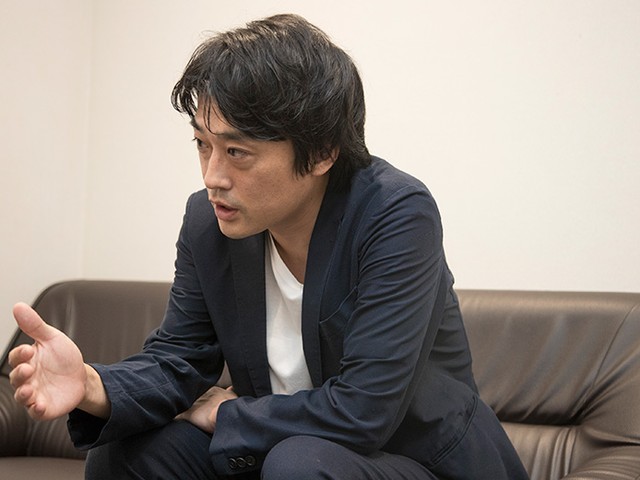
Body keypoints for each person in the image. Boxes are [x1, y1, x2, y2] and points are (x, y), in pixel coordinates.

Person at [8, 13, 528, 480]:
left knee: (299, 465)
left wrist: (225, 413)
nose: (213, 177)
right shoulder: (208, 222)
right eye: (203, 145)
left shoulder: (395, 214)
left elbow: (364, 411)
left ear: (322, 152)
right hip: (283, 451)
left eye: (237, 152)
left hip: (417, 461)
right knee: (129, 454)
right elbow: (179, 360)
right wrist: (91, 384)